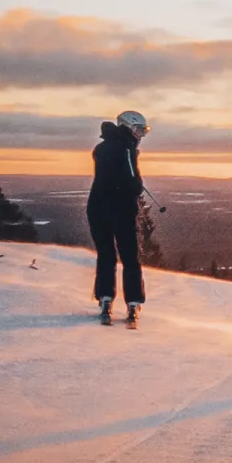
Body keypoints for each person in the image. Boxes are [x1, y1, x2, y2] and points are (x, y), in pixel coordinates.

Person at [87, 111, 150, 326]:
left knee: (106, 254)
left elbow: (107, 176)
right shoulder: (126, 148)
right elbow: (133, 183)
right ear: (129, 127)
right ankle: (133, 302)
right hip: (121, 210)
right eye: (141, 129)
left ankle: (105, 299)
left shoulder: (101, 148)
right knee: (130, 257)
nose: (141, 134)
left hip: (97, 208)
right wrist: (137, 184)